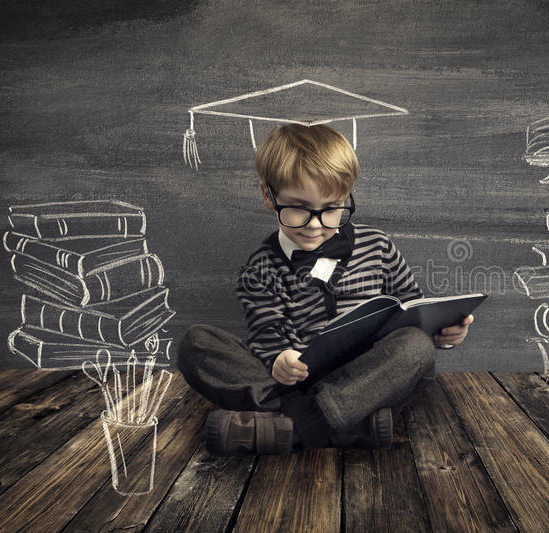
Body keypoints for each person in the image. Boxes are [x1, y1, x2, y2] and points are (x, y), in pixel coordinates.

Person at [178, 123, 474, 455]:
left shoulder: (377, 246)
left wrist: (444, 332)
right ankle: (342, 428)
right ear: (268, 196)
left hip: (369, 380)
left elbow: (414, 309)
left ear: (346, 198)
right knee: (197, 344)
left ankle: (290, 427)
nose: (315, 224)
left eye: (331, 209)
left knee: (415, 347)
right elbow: (266, 331)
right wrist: (279, 359)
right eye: (299, 209)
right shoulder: (261, 267)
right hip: (300, 379)